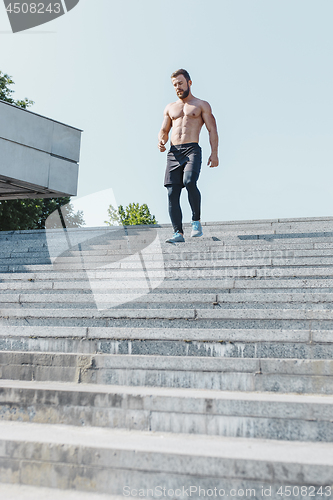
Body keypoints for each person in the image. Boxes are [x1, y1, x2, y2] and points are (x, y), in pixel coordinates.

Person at [158, 69, 219, 243]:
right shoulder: (170, 107)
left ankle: (195, 221)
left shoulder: (201, 105)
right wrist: (161, 141)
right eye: (175, 84)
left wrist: (214, 153)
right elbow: (163, 130)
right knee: (172, 193)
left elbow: (212, 130)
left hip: (192, 149)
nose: (178, 87)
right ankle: (178, 233)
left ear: (189, 83)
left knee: (190, 182)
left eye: (180, 83)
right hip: (174, 152)